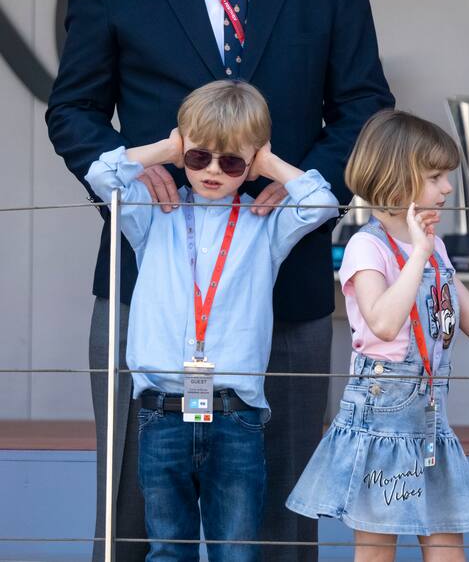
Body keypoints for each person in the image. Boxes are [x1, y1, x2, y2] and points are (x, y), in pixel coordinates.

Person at [46, 0, 394, 561]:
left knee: (279, 511)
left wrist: (302, 185)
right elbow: (71, 112)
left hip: (289, 281)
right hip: (150, 283)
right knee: (139, 510)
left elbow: (366, 105)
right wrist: (140, 177)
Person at [85, 80, 339, 561]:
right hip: (161, 412)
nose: (214, 171)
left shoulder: (265, 223)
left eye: (232, 162)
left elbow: (322, 203)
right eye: (200, 158)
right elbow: (102, 175)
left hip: (236, 416)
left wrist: (268, 164)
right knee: (167, 550)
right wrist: (168, 147)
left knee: (236, 552)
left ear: (251, 164)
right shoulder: (153, 214)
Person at [286, 109, 469, 562]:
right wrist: (418, 256)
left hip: (431, 424)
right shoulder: (368, 246)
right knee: (377, 549)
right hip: (381, 422)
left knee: (447, 546)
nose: (447, 188)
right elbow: (382, 322)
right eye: (436, 176)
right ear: (397, 178)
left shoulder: (436, 247)